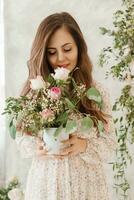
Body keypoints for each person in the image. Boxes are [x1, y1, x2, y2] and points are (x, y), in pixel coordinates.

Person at [15, 12, 116, 200]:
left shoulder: (97, 93)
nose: (61, 58)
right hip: (45, 187)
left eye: (67, 49)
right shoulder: (35, 92)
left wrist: (84, 145)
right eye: (52, 52)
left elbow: (110, 143)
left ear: (79, 47)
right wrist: (35, 146)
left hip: (88, 188)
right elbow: (21, 138)